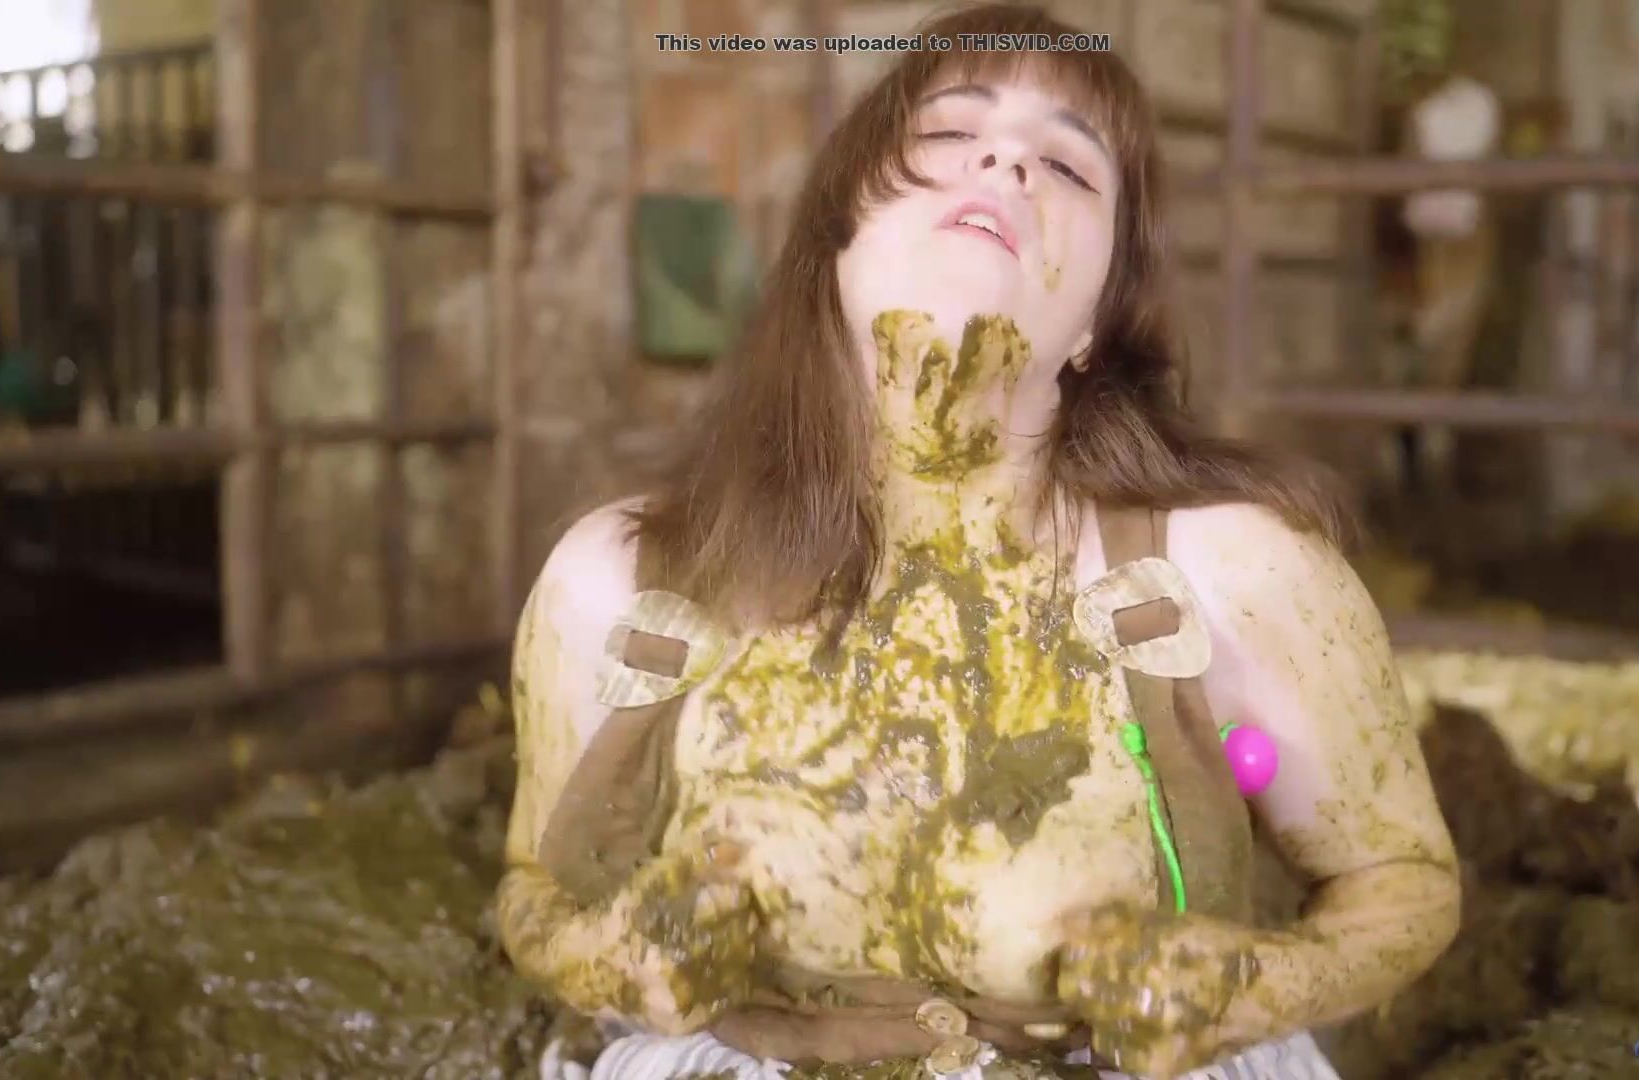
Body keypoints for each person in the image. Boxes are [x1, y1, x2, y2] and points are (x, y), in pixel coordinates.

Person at [497, 6, 1461, 1079]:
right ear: (835, 241)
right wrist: (610, 961)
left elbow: (1404, 880)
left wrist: (1255, 988)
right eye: (949, 134)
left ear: (1096, 321)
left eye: (1069, 167)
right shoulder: (616, 583)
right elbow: (533, 891)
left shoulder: (1233, 573)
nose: (1005, 161)